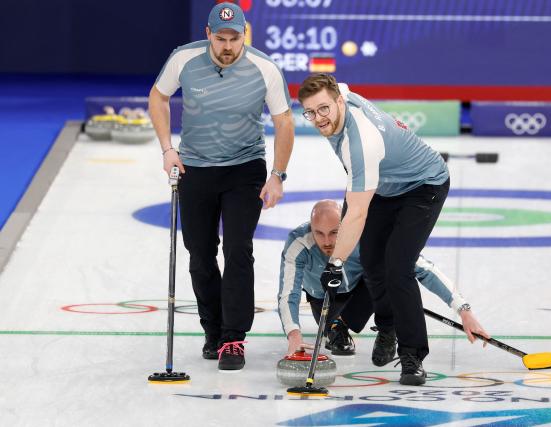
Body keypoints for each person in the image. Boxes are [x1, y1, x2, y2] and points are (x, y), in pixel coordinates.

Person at [148, 2, 294, 371]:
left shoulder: (264, 68)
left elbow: (284, 121)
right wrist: (168, 149)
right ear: (208, 35)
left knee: (238, 249)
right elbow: (158, 97)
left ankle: (233, 338)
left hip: (245, 169)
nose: (228, 46)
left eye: (235, 38)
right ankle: (212, 331)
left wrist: (277, 174)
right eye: (221, 38)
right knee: (200, 255)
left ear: (244, 35)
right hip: (196, 168)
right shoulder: (184, 59)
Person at [298, 74, 450, 385]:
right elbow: (336, 85)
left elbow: (356, 214)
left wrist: (335, 263)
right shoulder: (338, 93)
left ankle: (412, 355)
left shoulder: (361, 143)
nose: (318, 119)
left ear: (339, 103)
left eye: (324, 109)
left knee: (398, 267)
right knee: (371, 263)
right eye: (311, 112)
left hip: (423, 186)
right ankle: (388, 324)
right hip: (383, 184)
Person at [278, 200, 489, 365]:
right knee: (330, 326)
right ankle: (335, 325)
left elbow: (422, 268)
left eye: (334, 233)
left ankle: (387, 329)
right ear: (310, 228)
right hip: (323, 296)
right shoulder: (298, 244)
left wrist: (464, 310)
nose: (326, 242)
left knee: (383, 270)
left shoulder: (365, 234)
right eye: (319, 234)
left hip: (364, 289)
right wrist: (294, 335)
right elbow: (289, 293)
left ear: (345, 224)